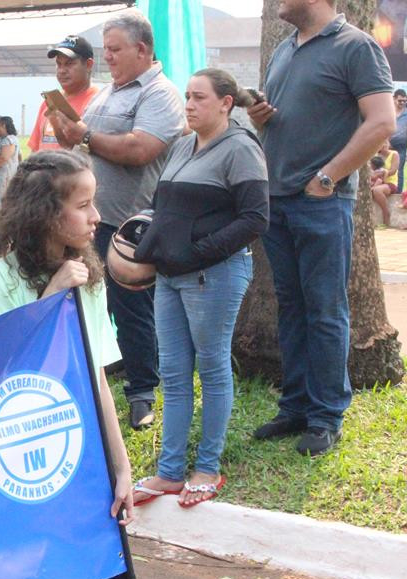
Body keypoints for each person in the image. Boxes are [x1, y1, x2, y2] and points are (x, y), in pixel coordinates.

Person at [0, 150, 134, 579]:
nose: (95, 218)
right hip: (30, 446)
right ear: (48, 212)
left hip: (86, 445)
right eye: (84, 206)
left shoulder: (90, 273)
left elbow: (96, 380)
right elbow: (3, 363)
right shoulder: (1, 277)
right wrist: (50, 294)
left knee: (116, 577)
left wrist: (122, 466)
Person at [248, 0, 394, 456]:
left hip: (322, 203)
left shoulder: (357, 47)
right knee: (291, 307)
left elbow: (382, 122)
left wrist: (328, 178)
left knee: (326, 310)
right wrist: (259, 119)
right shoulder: (285, 50)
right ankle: (295, 406)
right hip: (279, 199)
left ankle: (326, 415)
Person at [130, 68, 267, 508]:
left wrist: (199, 253)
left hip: (215, 275)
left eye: (199, 98)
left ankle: (207, 467)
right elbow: (163, 208)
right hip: (170, 277)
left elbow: (254, 219)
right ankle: (170, 471)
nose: (188, 105)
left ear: (226, 103)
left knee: (210, 368)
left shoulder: (241, 148)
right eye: (187, 96)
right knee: (172, 371)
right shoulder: (182, 146)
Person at [47, 10, 186, 431]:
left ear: (142, 50)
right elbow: (89, 143)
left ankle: (143, 393)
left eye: (114, 49)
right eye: (105, 49)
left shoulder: (160, 94)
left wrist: (85, 136)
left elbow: (139, 149)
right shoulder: (109, 93)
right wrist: (70, 131)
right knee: (96, 304)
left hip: (132, 225)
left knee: (133, 310)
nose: (107, 57)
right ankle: (117, 371)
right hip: (94, 220)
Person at [28, 35, 101, 153]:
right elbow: (35, 150)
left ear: (88, 65)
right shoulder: (49, 102)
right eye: (59, 64)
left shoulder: (99, 103)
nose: (62, 70)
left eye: (69, 63)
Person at [391, 89, 407, 190]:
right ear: (394, 99)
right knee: (385, 168)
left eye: (404, 101)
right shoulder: (388, 112)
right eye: (400, 100)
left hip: (401, 146)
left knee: (399, 170)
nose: (402, 103)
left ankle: (398, 192)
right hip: (386, 145)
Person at [370, 139, 399, 227]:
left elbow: (393, 171)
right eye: (381, 143)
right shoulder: (375, 156)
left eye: (385, 143)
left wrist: (381, 173)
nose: (384, 145)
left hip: (390, 182)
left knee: (377, 190)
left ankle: (386, 212)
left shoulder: (394, 154)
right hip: (376, 181)